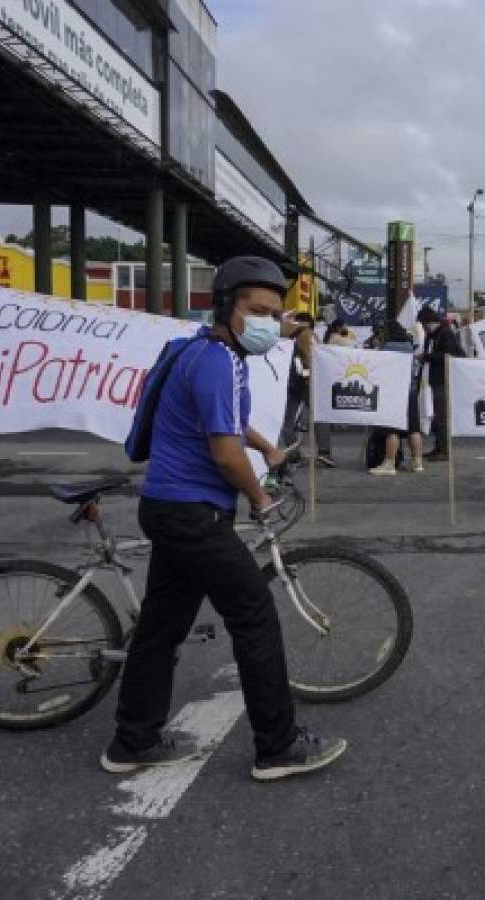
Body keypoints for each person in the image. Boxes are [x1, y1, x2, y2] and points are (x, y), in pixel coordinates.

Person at [104, 256, 346, 782]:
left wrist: (268, 448)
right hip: (193, 514)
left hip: (171, 509)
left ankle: (132, 740)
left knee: (162, 628)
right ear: (225, 308)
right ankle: (277, 747)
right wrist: (258, 495)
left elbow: (231, 424)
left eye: (274, 312)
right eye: (255, 309)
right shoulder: (215, 360)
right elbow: (224, 453)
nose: (266, 320)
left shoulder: (213, 353)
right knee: (254, 615)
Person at [369, 323, 425, 475]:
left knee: (392, 428)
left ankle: (389, 463)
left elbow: (378, 370)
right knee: (414, 428)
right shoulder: (409, 346)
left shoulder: (386, 348)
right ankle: (417, 462)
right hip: (411, 390)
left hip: (393, 391)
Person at [419, 306, 463, 461]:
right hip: (433, 380)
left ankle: (444, 450)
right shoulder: (431, 335)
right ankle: (438, 447)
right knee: (437, 417)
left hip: (444, 380)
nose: (423, 327)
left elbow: (449, 355)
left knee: (442, 416)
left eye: (424, 324)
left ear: (431, 321)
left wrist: (428, 357)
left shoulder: (445, 333)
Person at [314, 319, 354, 468]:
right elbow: (352, 346)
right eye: (344, 325)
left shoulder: (328, 337)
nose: (346, 328)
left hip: (324, 377)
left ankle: (323, 451)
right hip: (331, 377)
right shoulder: (337, 338)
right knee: (322, 412)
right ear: (339, 327)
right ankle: (324, 451)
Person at [279, 311, 315, 448]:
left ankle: (295, 454)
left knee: (288, 424)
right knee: (318, 417)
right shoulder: (309, 336)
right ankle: (324, 451)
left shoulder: (286, 335)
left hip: (293, 382)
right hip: (303, 382)